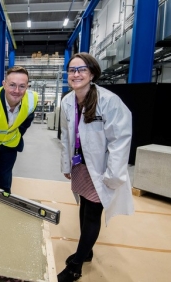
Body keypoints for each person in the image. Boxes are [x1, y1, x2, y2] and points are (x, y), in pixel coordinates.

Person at [57, 52, 134, 282]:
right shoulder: (67, 100)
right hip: (81, 165)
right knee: (83, 207)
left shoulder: (109, 101)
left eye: (81, 69)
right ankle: (86, 251)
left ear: (92, 73)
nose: (76, 74)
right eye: (72, 70)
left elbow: (120, 140)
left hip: (101, 169)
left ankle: (76, 266)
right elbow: (66, 138)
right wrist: (66, 163)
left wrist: (113, 174)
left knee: (92, 214)